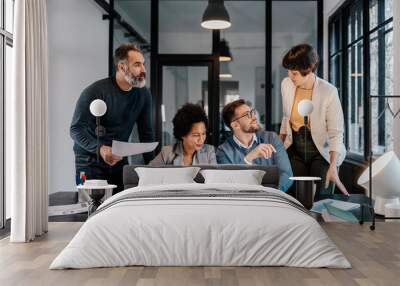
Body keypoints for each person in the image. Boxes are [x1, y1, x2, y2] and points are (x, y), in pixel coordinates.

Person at [70, 44, 154, 194]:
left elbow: (146, 133)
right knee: (91, 208)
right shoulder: (95, 91)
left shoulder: (143, 94)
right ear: (122, 67)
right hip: (88, 161)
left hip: (118, 159)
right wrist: (100, 148)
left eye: (143, 64)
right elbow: (76, 129)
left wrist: (153, 168)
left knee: (120, 206)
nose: (143, 70)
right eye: (137, 65)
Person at [279, 43, 349, 199]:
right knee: (296, 197)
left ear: (309, 69)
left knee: (320, 198)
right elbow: (286, 118)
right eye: (289, 71)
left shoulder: (328, 91)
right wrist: (279, 148)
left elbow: (335, 133)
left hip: (322, 151)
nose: (290, 76)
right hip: (295, 148)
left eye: (295, 73)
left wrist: (333, 166)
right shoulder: (286, 85)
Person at [216, 99, 293, 192]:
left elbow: (286, 174)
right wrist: (248, 158)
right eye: (248, 114)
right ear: (236, 125)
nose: (254, 117)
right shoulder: (223, 151)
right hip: (241, 203)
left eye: (252, 112)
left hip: (272, 199)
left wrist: (270, 195)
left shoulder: (272, 139)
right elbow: (229, 184)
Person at [150, 103, 216, 166]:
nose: (201, 139)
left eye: (203, 134)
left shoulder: (209, 152)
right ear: (183, 135)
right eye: (196, 135)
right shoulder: (167, 153)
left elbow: (214, 177)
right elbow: (147, 173)